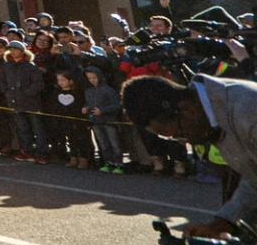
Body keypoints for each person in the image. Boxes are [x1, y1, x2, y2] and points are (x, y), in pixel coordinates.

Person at [124, 73, 257, 236]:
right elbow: (254, 177)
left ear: (188, 110)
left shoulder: (248, 110)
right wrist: (224, 222)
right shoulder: (212, 114)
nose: (182, 141)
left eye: (176, 134)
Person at [83, 67, 125, 174]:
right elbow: (89, 104)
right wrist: (86, 108)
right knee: (103, 144)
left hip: (109, 121)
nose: (92, 80)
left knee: (114, 144)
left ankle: (119, 164)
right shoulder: (88, 91)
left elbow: (117, 105)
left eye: (94, 78)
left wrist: (103, 110)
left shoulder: (108, 90)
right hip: (96, 121)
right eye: (89, 78)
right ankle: (108, 163)